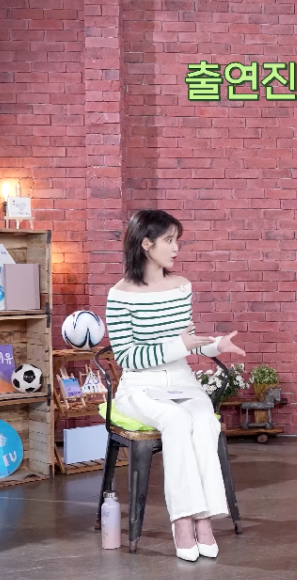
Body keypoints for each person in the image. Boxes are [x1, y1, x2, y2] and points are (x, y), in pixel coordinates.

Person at [105, 209, 245, 561]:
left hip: (182, 381)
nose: (176, 248)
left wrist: (216, 345)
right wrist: (178, 345)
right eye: (169, 240)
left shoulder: (181, 286)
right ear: (146, 244)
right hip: (140, 386)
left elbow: (188, 342)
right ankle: (182, 521)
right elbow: (127, 357)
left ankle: (204, 520)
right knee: (177, 420)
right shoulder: (119, 295)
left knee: (205, 420)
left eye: (176, 240)